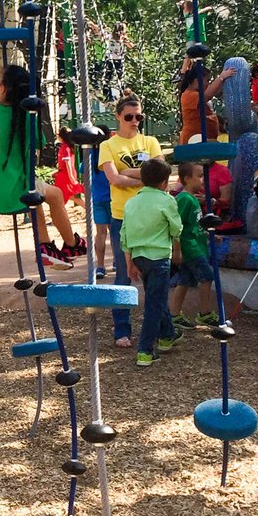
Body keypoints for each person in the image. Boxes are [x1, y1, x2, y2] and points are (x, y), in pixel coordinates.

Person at [0, 64, 84, 267]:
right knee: (54, 194)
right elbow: (39, 144)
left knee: (38, 194)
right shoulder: (27, 116)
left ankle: (46, 246)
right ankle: (70, 244)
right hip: (17, 189)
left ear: (3, 88)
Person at [96, 94, 162, 349]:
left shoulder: (151, 140)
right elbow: (114, 179)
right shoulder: (108, 145)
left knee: (154, 274)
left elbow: (160, 173)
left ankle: (157, 329)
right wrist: (145, 176)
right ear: (118, 117)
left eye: (139, 117)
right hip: (122, 217)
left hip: (151, 215)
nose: (135, 121)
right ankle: (122, 329)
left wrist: (129, 173)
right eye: (129, 117)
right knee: (124, 274)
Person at [121, 157, 183, 367]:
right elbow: (176, 228)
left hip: (139, 256)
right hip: (159, 258)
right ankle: (145, 350)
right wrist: (177, 246)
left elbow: (124, 234)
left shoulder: (131, 203)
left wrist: (129, 261)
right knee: (153, 304)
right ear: (165, 182)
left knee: (156, 298)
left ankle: (167, 335)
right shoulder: (167, 200)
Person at [169, 162, 215, 330]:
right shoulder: (184, 199)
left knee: (185, 280)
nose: (203, 180)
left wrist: (208, 234)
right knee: (207, 277)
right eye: (200, 176)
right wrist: (177, 250)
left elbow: (193, 225)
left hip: (196, 245)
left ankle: (174, 315)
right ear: (187, 178)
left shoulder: (191, 199)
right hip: (191, 248)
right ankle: (204, 313)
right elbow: (176, 225)